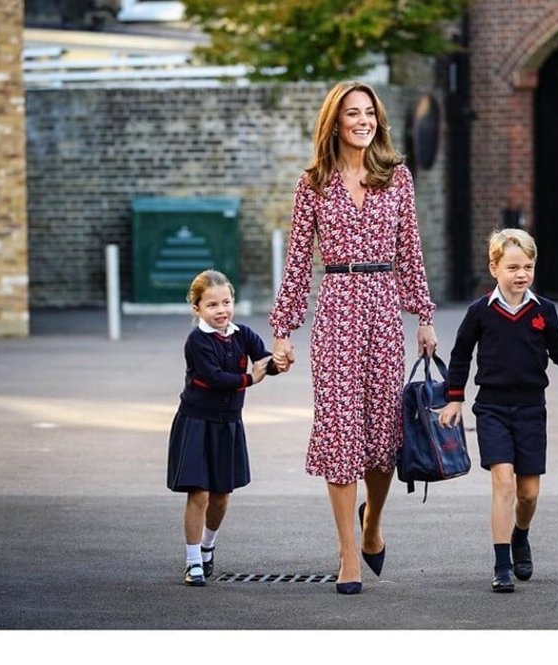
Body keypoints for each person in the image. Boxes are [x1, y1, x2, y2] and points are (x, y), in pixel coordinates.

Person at [269, 81, 437, 596]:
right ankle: (347, 553)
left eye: (369, 113)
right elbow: (297, 261)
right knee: (341, 431)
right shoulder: (313, 184)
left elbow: (410, 250)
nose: (362, 121)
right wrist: (283, 330)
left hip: (384, 307)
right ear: (334, 123)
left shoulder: (397, 178)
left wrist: (423, 315)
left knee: (383, 437)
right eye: (352, 114)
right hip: (337, 308)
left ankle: (372, 525)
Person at [438, 228, 558, 593]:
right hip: (491, 409)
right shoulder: (480, 312)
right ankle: (502, 563)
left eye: (527, 266)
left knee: (528, 494)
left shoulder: (544, 311)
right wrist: (454, 397)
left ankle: (520, 534)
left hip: (530, 410)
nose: (521, 274)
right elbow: (461, 355)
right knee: (504, 483)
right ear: (494, 268)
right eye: (512, 267)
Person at [166, 269, 284, 586]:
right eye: (212, 305)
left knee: (221, 495)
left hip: (228, 424)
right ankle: (192, 561)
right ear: (197, 309)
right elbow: (214, 379)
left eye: (226, 302)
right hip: (196, 422)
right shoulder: (197, 342)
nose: (221, 310)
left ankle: (207, 547)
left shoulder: (242, 334)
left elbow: (263, 359)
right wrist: (250, 379)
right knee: (199, 493)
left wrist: (278, 362)